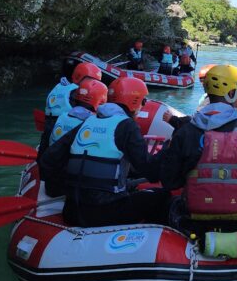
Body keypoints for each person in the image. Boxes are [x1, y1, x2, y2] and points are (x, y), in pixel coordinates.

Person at [154, 64, 237, 236]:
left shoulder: (187, 130)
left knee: (165, 202)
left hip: (193, 221)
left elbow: (170, 181)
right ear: (232, 93)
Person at [39, 76, 162, 227]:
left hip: (71, 211)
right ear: (135, 101)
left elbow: (48, 160)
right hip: (105, 213)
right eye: (143, 101)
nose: (143, 105)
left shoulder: (88, 121)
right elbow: (150, 170)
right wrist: (168, 153)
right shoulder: (128, 126)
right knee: (160, 196)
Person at [38, 77, 108, 159]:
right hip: (72, 164)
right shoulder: (94, 123)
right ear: (100, 101)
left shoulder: (62, 116)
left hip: (52, 161)